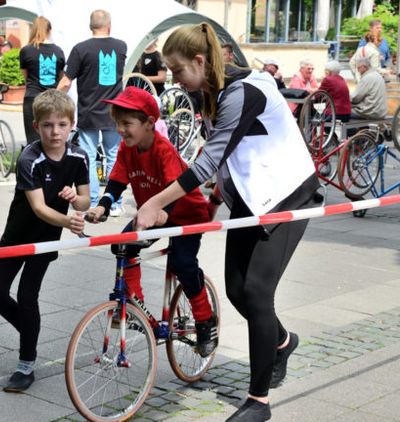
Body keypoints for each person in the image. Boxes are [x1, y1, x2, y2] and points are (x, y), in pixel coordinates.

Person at [135, 23, 318, 422]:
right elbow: (233, 148)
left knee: (255, 292)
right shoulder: (209, 92)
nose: (175, 80)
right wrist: (219, 197)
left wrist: (155, 202)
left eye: (179, 70)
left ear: (201, 61)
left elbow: (207, 160)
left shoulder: (245, 90)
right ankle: (283, 343)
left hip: (289, 194)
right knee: (236, 290)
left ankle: (258, 402)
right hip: (252, 198)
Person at [86, 86, 218, 356]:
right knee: (122, 246)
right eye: (117, 124)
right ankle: (135, 305)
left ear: (149, 123)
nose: (121, 130)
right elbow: (116, 182)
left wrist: (162, 214)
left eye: (127, 124)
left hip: (186, 213)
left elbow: (174, 189)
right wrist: (101, 207)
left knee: (183, 263)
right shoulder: (127, 148)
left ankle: (205, 320)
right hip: (153, 214)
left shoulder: (163, 149)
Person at [0, 89, 90, 392]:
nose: (54, 131)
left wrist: (76, 201)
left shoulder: (78, 157)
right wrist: (68, 219)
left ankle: (26, 366)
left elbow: (84, 201)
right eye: (47, 125)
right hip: (17, 234)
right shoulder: (30, 158)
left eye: (61, 124)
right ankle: (30, 329)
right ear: (36, 126)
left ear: (71, 125)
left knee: (28, 296)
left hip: (46, 239)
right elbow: (38, 207)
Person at [57, 9, 127, 215]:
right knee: (115, 156)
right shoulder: (121, 46)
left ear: (90, 27)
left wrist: (52, 98)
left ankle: (93, 199)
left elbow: (66, 81)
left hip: (88, 111)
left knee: (88, 156)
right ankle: (114, 203)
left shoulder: (80, 49)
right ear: (109, 25)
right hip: (114, 111)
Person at [20, 16, 65, 144]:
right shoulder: (58, 51)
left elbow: (26, 77)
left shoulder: (26, 51)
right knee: (52, 138)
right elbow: (60, 77)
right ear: (50, 31)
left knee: (33, 140)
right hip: (52, 99)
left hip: (32, 97)